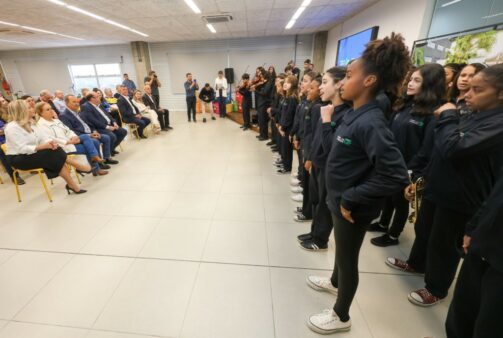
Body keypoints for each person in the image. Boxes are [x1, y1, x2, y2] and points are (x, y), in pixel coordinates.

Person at [306, 33, 410, 334]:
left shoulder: (371, 122)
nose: (341, 82)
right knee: (341, 249)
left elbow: (395, 174)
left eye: (348, 76)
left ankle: (341, 315)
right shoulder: (355, 113)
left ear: (369, 80)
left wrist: (351, 196)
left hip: (353, 206)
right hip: (340, 199)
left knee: (349, 258)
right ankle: (335, 281)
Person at [443, 63, 503, 338]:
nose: (468, 92)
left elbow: (455, 146)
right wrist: (475, 227)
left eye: (477, 89)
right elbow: (497, 193)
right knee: (465, 305)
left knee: (488, 321)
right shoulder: (475, 115)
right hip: (486, 233)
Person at [370, 63, 445, 247]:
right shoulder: (404, 105)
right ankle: (383, 223)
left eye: (416, 80)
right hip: (392, 162)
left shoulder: (433, 112)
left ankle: (394, 234)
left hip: (410, 167)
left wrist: (409, 169)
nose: (410, 83)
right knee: (389, 195)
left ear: (430, 84)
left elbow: (426, 149)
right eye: (410, 79)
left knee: (401, 201)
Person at [299, 71, 351, 251]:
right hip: (318, 161)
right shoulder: (328, 108)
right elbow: (316, 137)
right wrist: (311, 157)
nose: (320, 86)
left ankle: (320, 239)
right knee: (317, 200)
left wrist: (327, 121)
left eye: (325, 82)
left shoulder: (344, 114)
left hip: (330, 166)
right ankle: (314, 232)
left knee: (324, 204)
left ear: (338, 85)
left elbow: (332, 147)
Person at [4, 100, 86, 194]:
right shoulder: (12, 127)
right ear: (21, 111)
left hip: (34, 153)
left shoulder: (32, 122)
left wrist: (51, 143)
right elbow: (22, 149)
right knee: (53, 154)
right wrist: (43, 146)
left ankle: (73, 183)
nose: (33, 109)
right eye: (29, 108)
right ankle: (77, 168)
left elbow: (44, 138)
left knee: (55, 152)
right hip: (18, 158)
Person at [35, 102, 106, 176]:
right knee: (89, 147)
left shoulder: (56, 120)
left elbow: (68, 130)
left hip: (71, 141)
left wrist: (74, 137)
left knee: (87, 138)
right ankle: (93, 167)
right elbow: (50, 139)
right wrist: (69, 142)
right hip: (62, 147)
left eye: (51, 108)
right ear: (41, 113)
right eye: (47, 109)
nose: (51, 110)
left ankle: (94, 161)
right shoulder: (41, 125)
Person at [59, 94, 111, 176]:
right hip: (78, 138)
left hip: (88, 133)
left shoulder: (77, 112)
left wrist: (93, 131)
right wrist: (89, 135)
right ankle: (96, 168)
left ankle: (104, 160)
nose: (77, 103)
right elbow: (71, 131)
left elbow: (88, 124)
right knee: (95, 142)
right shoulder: (64, 115)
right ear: (67, 104)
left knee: (105, 137)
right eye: (74, 102)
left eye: (77, 101)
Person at [276, 75, 299, 174]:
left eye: (288, 82)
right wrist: (280, 125)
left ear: (293, 85)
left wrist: (283, 127)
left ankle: (287, 167)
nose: (285, 84)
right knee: (284, 147)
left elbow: (289, 115)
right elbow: (284, 113)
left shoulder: (292, 98)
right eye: (285, 82)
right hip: (283, 126)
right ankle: (284, 163)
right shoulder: (287, 96)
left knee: (287, 148)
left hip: (288, 127)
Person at [0, 103, 25, 184]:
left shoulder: (8, 112)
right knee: (4, 154)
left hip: (10, 135)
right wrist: (6, 130)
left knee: (23, 144)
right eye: (2, 101)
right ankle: (14, 176)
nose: (5, 102)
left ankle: (30, 166)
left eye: (4, 100)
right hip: (2, 140)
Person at [253, 68, 273, 140]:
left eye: (262, 76)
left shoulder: (269, 83)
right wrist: (257, 86)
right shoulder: (264, 83)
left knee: (263, 120)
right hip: (261, 103)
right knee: (260, 120)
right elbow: (260, 90)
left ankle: (264, 136)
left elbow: (264, 93)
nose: (261, 78)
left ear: (265, 77)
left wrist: (255, 90)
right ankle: (261, 134)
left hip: (265, 103)